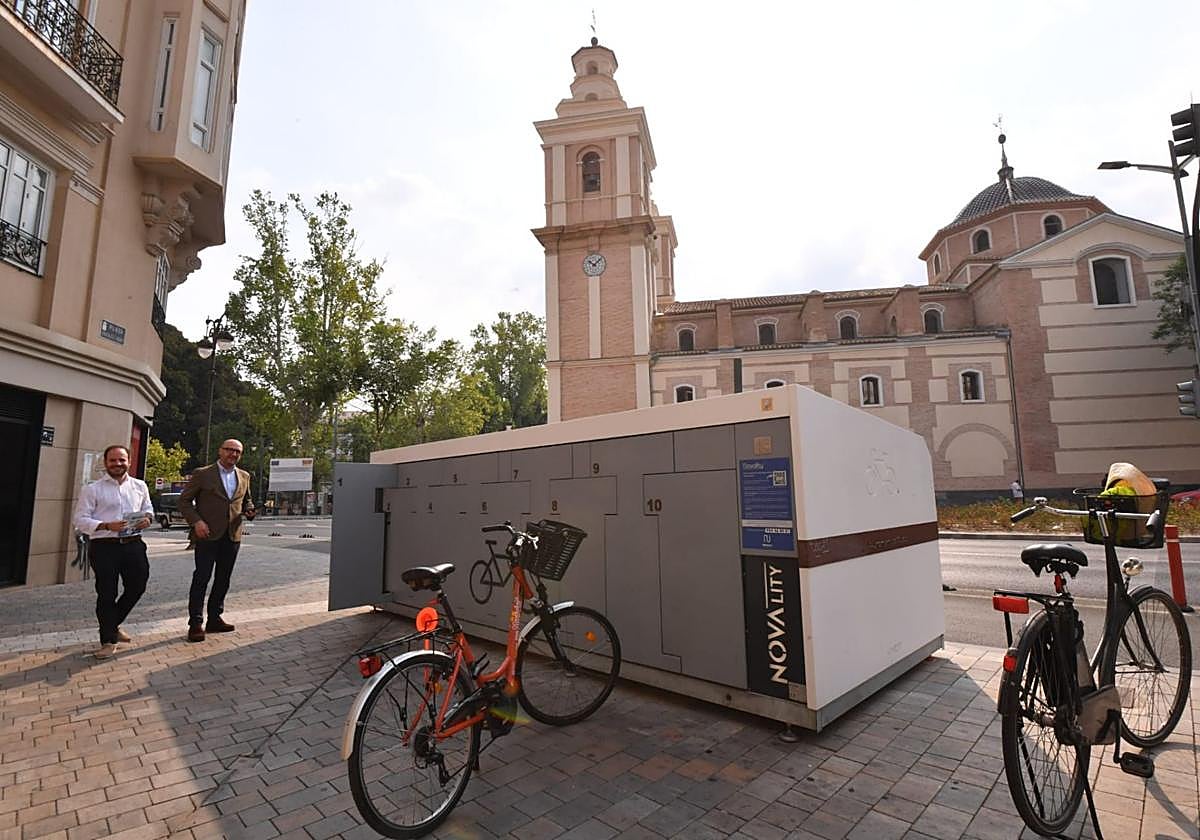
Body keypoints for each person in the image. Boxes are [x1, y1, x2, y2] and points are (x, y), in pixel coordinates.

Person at [72, 445, 153, 659]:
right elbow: (80, 520)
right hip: (104, 546)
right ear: (106, 463)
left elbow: (148, 510)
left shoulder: (140, 486)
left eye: (122, 460)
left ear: (129, 461)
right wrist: (106, 525)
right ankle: (108, 640)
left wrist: (147, 519)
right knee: (107, 593)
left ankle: (112, 624)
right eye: (113, 460)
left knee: (138, 586)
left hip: (133, 544)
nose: (118, 464)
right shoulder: (93, 489)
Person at [180, 438, 256, 642]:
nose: (233, 454)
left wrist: (249, 509)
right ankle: (195, 623)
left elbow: (246, 499)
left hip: (232, 535)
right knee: (202, 578)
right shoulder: (203, 474)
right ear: (220, 451)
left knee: (223, 579)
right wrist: (196, 522)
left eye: (237, 451)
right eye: (229, 450)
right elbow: (184, 501)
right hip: (207, 535)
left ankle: (214, 618)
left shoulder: (244, 476)